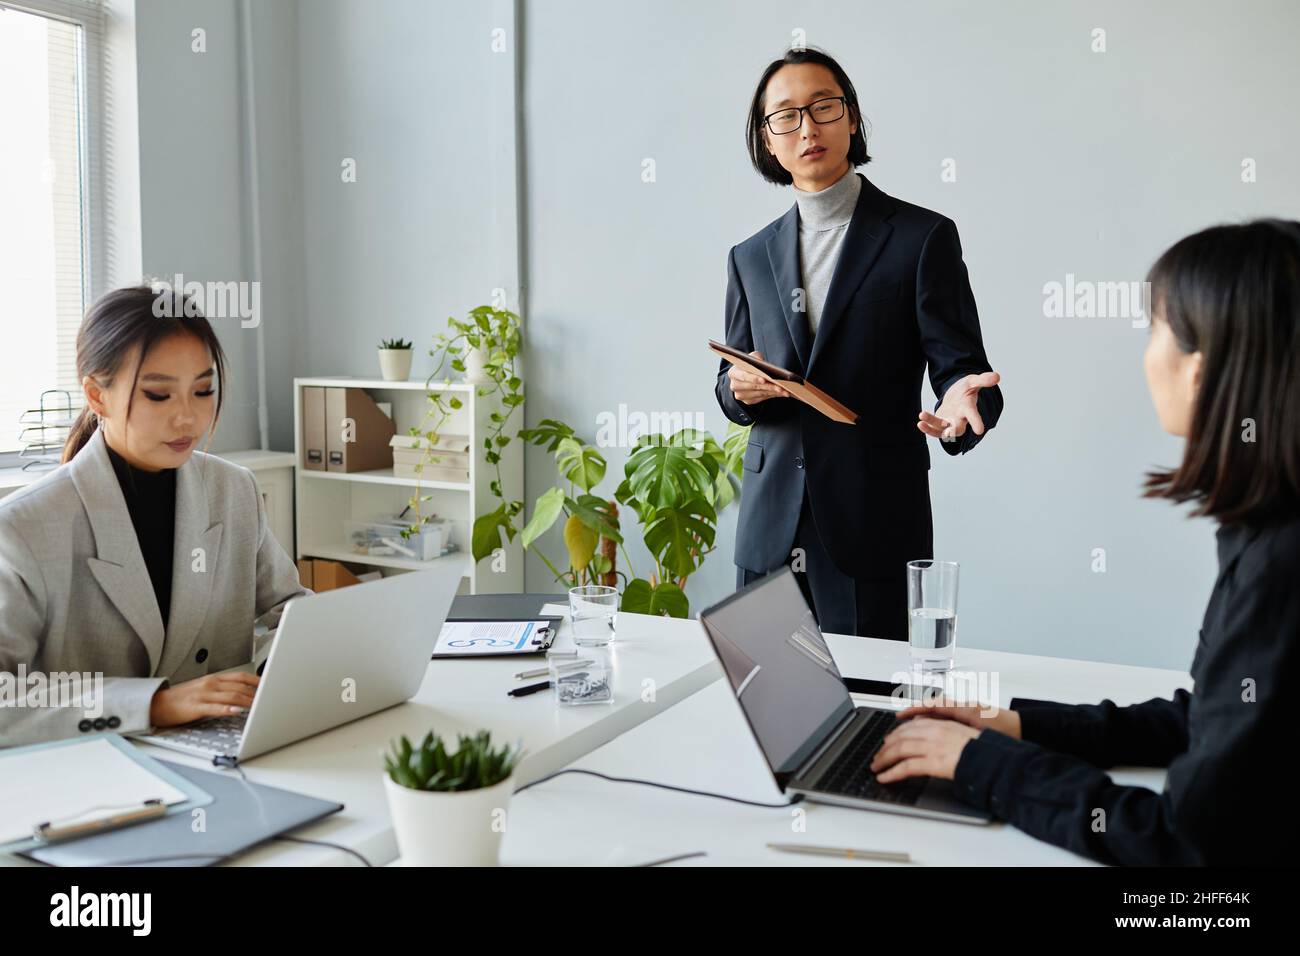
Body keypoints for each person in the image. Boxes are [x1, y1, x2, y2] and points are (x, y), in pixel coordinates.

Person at [870, 219, 1300, 865]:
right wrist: (1016, 726)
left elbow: (1186, 841)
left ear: (1203, 366)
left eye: (1154, 328)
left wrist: (983, 766)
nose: (1147, 353)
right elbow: (1218, 719)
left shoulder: (1283, 562)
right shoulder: (1270, 524)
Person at [715, 46, 1002, 639]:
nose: (807, 128)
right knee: (775, 709)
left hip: (872, 522)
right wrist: (738, 388)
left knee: (873, 714)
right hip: (769, 528)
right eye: (785, 116)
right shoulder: (749, 256)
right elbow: (730, 387)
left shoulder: (922, 238)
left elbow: (964, 373)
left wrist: (960, 407)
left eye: (823, 107)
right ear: (767, 141)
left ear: (850, 118)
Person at [0, 285, 309, 746]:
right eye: (158, 395)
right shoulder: (23, 527)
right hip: (96, 773)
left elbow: (289, 611)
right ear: (96, 395)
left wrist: (283, 664)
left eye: (204, 390)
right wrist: (155, 705)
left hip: (225, 747)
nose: (188, 417)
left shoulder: (234, 490)